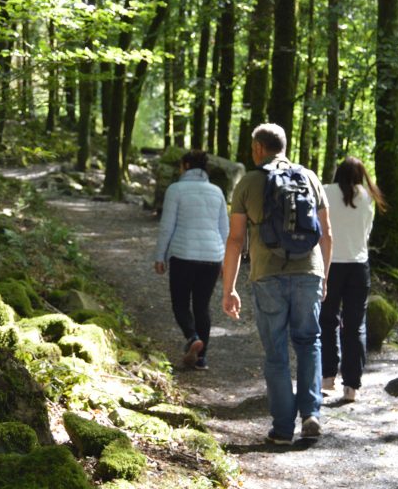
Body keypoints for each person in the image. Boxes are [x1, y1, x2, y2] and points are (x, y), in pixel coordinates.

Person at [222, 124, 332, 444]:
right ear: (284, 147)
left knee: (276, 353)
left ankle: (283, 429)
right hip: (308, 272)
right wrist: (324, 275)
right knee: (309, 343)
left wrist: (229, 288)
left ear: (258, 148)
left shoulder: (249, 182)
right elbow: (326, 233)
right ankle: (311, 412)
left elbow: (235, 240)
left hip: (267, 275)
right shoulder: (309, 177)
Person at [154, 149, 230, 369]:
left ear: (186, 166)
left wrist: (160, 256)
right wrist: (226, 262)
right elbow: (224, 229)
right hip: (212, 258)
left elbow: (167, 226)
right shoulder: (217, 191)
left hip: (183, 255)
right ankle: (202, 358)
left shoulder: (175, 189)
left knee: (180, 303)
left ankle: (191, 337)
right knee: (202, 306)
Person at [320, 156, 385, 402]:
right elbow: (366, 233)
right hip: (358, 267)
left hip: (329, 265)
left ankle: (327, 378)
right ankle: (352, 387)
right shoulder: (369, 197)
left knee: (327, 320)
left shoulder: (326, 191)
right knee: (355, 325)